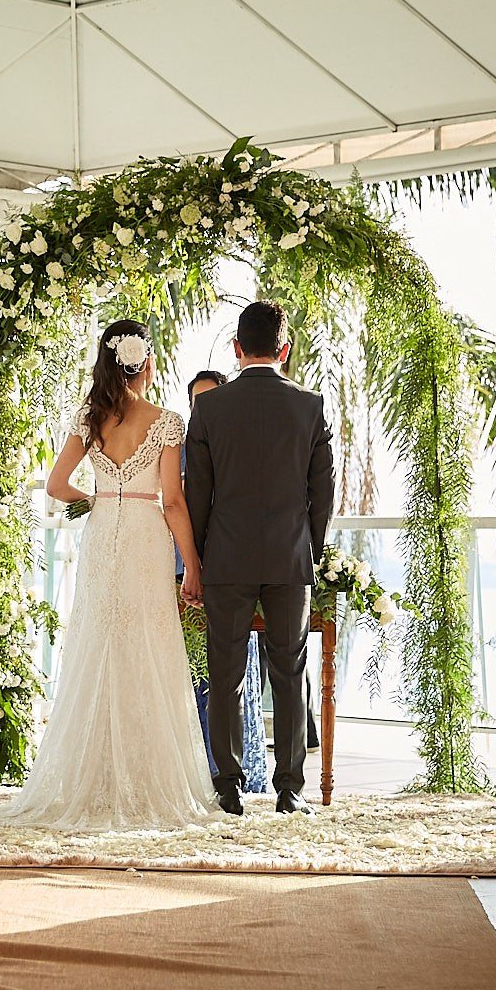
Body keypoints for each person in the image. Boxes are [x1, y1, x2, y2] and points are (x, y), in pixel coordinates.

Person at [0, 322, 220, 828]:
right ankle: (148, 777)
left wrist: (96, 500)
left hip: (102, 537)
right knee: (149, 644)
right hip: (145, 535)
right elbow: (174, 501)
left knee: (99, 643)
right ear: (147, 364)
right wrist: (194, 569)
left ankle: (92, 775)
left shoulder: (89, 417)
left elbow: (57, 484)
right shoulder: (165, 420)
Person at [186, 301, 336, 817]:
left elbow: (196, 493)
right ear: (284, 350)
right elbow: (324, 493)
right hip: (289, 561)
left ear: (236, 349)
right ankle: (290, 792)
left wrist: (202, 561)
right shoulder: (310, 405)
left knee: (224, 674)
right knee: (289, 672)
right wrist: (308, 552)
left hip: (225, 557)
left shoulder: (209, 409)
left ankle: (228, 788)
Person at [183, 369, 271, 794]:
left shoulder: (241, 447)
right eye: (197, 401)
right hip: (189, 573)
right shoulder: (180, 450)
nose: (205, 407)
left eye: (212, 398)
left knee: (234, 674)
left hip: (233, 572)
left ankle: (237, 771)